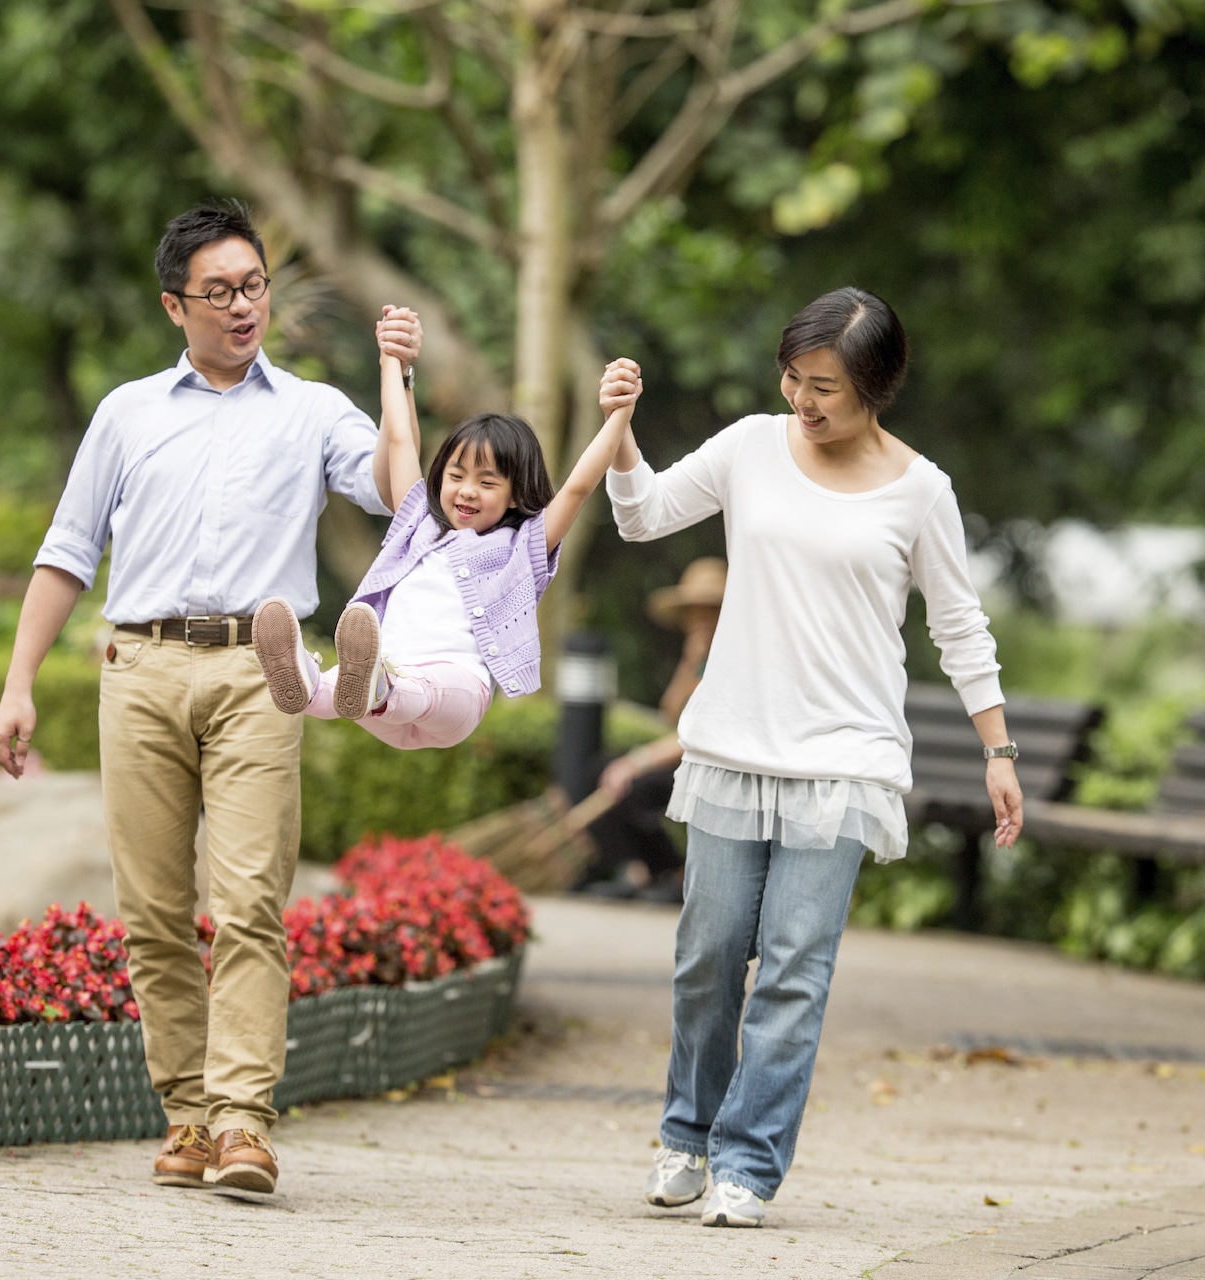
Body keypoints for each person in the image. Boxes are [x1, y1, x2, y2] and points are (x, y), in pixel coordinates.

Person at [0, 201, 421, 1197]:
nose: (242, 306)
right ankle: (186, 1114)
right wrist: (18, 684)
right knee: (149, 912)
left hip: (258, 672)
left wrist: (396, 378)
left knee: (252, 902)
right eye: (219, 291)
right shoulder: (128, 412)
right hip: (136, 670)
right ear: (174, 304)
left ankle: (241, 1122)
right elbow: (65, 553)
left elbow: (402, 493)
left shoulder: (313, 409)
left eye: (255, 286)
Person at [603, 287, 1023, 1228]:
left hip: (844, 760)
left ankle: (748, 1164)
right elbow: (640, 516)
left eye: (825, 385)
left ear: (876, 386)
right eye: (794, 378)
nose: (804, 399)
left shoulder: (922, 490)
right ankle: (688, 1134)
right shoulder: (751, 446)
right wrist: (622, 429)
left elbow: (960, 627)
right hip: (733, 743)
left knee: (795, 966)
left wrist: (999, 748)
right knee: (708, 955)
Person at [249, 331, 644, 749]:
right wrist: (392, 362)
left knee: (420, 685)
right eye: (456, 477)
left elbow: (578, 487)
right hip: (382, 690)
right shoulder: (415, 521)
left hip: (455, 693)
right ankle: (303, 684)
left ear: (516, 492)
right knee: (341, 686)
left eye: (486, 482)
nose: (467, 490)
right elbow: (400, 438)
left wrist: (618, 414)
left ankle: (376, 687)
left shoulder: (523, 546)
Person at [585, 557, 727, 897]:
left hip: (713, 764)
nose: (698, 619)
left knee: (636, 784)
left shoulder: (731, 658)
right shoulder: (699, 657)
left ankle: (675, 873)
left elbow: (698, 734)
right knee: (602, 769)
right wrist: (690, 662)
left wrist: (635, 762)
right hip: (689, 757)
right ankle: (645, 870)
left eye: (707, 610)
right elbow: (670, 714)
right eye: (693, 611)